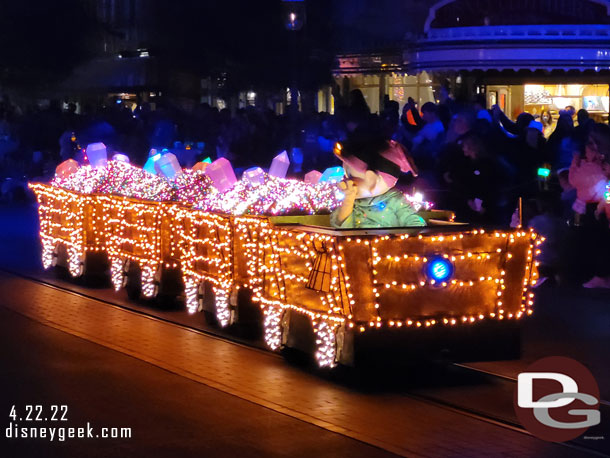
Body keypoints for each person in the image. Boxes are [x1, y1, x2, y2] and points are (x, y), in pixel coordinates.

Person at [330, 133, 425, 228]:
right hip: (356, 243)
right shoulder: (354, 203)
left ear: (372, 179)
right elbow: (340, 226)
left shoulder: (395, 201)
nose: (346, 181)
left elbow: (413, 222)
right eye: (346, 176)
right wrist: (348, 201)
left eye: (351, 177)